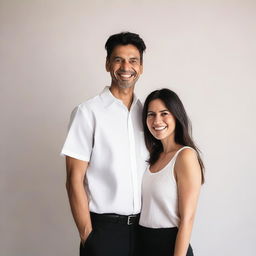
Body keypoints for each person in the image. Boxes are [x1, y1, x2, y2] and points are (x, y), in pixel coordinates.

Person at [60, 32, 148, 256]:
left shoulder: (148, 114)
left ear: (141, 67)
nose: (126, 66)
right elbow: (73, 179)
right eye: (118, 59)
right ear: (108, 64)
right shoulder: (87, 112)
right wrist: (88, 235)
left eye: (133, 60)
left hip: (146, 230)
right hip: (104, 232)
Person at [138, 89, 204, 256]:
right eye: (151, 114)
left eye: (164, 113)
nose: (157, 120)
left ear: (176, 115)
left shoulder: (185, 156)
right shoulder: (151, 157)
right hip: (142, 242)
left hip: (170, 245)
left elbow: (187, 220)